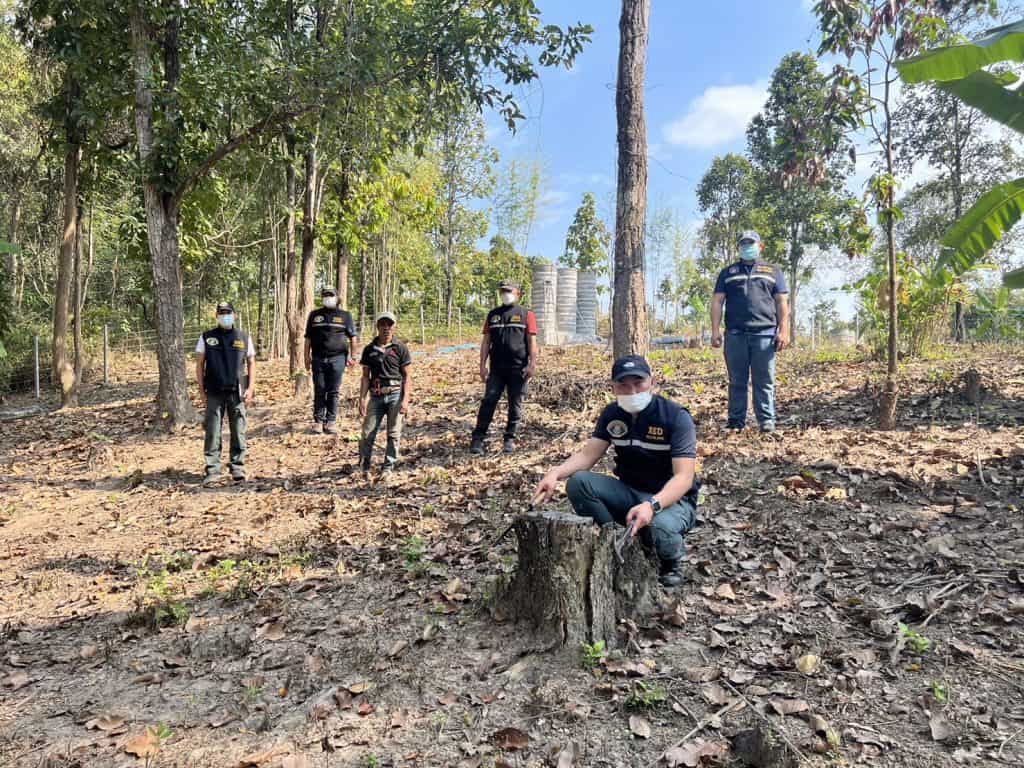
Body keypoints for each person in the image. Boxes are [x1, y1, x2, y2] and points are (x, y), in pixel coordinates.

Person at [532, 355, 699, 589]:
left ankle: (669, 562)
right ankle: (613, 541)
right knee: (579, 483)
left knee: (661, 527)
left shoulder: (675, 417)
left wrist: (652, 505)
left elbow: (683, 477)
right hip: (629, 491)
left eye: (638, 383)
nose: (631, 391)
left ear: (652, 382)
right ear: (613, 387)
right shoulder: (612, 414)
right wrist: (555, 473)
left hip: (671, 501)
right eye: (623, 385)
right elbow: (588, 455)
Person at [710, 231, 790, 433]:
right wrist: (715, 330)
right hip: (735, 334)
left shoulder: (773, 271)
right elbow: (718, 301)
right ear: (738, 247)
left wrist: (784, 330)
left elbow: (781, 302)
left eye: (751, 243)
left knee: (764, 380)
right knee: (737, 380)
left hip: (764, 333)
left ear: (760, 246)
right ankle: (736, 421)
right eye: (743, 244)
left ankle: (766, 421)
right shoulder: (728, 273)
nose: (747, 247)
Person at [470, 279, 538, 455]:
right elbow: (486, 341)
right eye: (503, 291)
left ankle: (510, 438)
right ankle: (478, 439)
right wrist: (482, 365)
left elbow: (532, 341)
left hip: (518, 369)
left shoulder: (526, 314)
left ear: (518, 294)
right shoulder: (493, 315)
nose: (505, 294)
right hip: (497, 370)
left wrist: (532, 364)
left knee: (515, 404)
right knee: (488, 401)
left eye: (509, 291)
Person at [195, 301, 255, 485]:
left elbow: (252, 362)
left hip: (237, 392)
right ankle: (212, 470)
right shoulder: (206, 337)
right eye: (221, 313)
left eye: (228, 312)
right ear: (216, 315)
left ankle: (237, 466)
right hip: (213, 391)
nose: (225, 315)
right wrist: (201, 390)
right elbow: (199, 364)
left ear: (234, 315)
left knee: (238, 430)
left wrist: (251, 387)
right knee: (213, 431)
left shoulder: (243, 337)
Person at [358, 312, 412, 474]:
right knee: (367, 432)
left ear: (394, 327)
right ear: (378, 327)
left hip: (396, 394)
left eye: (389, 324)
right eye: (383, 324)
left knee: (393, 433)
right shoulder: (369, 350)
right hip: (376, 395)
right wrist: (362, 398)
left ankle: (388, 466)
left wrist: (406, 400)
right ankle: (364, 465)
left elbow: (408, 375)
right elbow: (365, 376)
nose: (386, 328)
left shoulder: (400, 348)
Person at [304, 287, 359, 434]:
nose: (328, 297)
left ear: (336, 297)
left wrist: (353, 356)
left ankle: (331, 421)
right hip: (318, 358)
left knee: (333, 391)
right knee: (320, 389)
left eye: (331, 295)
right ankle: (318, 421)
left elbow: (353, 337)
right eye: (325, 295)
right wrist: (306, 357)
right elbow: (308, 338)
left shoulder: (345, 316)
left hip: (338, 359)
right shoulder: (314, 315)